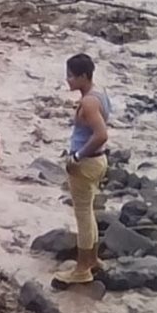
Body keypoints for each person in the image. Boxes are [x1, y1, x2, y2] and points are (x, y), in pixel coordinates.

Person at [54, 54, 112, 285]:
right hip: (98, 162)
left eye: (70, 75)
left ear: (83, 76)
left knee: (83, 216)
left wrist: (77, 156)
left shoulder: (88, 103)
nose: (67, 80)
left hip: (87, 163)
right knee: (88, 211)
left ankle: (81, 269)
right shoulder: (99, 94)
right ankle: (93, 260)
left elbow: (101, 135)